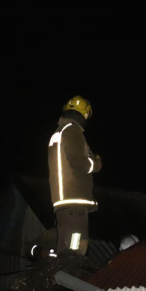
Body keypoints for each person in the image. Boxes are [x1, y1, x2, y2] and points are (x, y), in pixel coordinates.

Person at [29, 95, 102, 259]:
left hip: (66, 202)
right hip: (74, 203)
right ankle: (66, 272)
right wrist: (96, 163)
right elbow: (80, 162)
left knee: (68, 247)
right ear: (85, 114)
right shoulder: (72, 131)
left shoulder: (60, 132)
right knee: (74, 250)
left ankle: (60, 268)